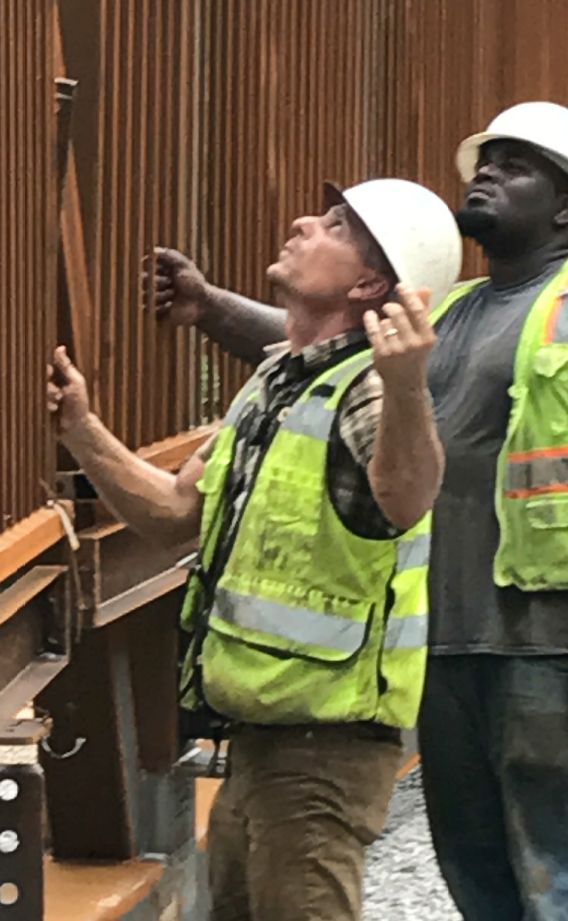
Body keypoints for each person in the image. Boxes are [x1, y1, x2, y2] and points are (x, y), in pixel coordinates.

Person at [154, 102, 568, 921]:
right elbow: (322, 343)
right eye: (485, 158)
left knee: (551, 864)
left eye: (515, 165)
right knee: (477, 871)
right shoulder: (451, 313)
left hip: (547, 642)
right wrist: (211, 307)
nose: (484, 172)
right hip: (447, 641)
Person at [48, 177, 461, 921]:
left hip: (322, 753)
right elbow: (175, 511)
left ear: (370, 281)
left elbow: (407, 497)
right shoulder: (279, 381)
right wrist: (82, 427)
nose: (305, 223)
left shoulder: (368, 391)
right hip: (263, 742)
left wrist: (407, 389)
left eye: (335, 225)